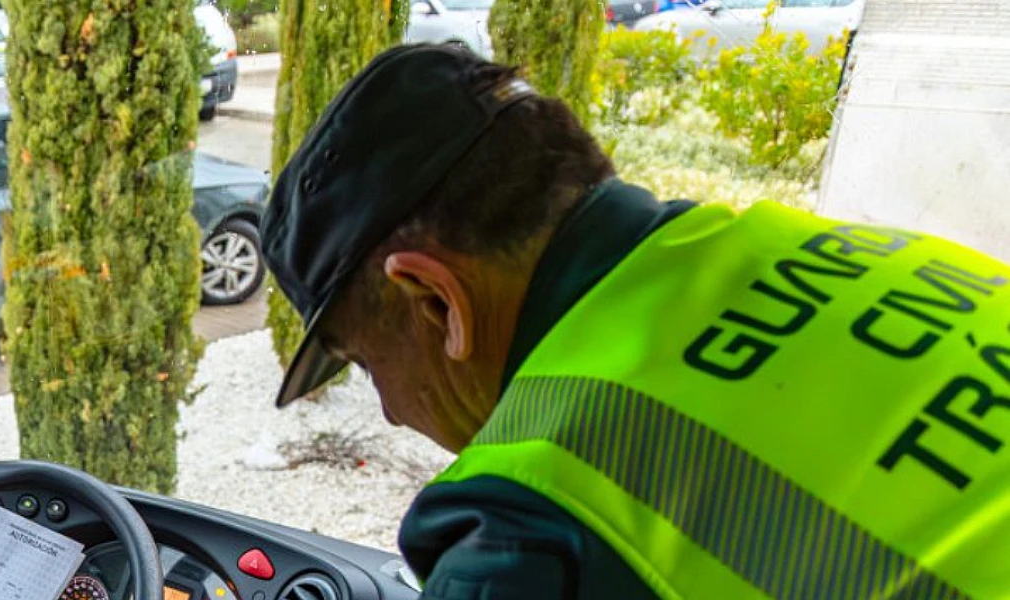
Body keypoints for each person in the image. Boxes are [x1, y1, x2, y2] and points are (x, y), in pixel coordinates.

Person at [259, 42, 1010, 599]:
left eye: (366, 363)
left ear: (435, 301)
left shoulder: (534, 524)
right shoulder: (882, 255)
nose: (390, 413)